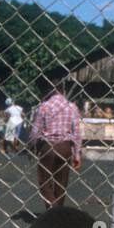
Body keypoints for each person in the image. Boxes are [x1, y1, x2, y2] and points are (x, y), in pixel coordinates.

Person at [29, 80, 83, 210]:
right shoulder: (72, 107)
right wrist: (77, 154)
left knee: (45, 182)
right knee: (61, 184)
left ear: (50, 90)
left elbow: (35, 131)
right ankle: (57, 213)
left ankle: (54, 210)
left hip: (48, 146)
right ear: (63, 89)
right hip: (65, 147)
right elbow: (77, 133)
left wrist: (30, 145)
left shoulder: (44, 106)